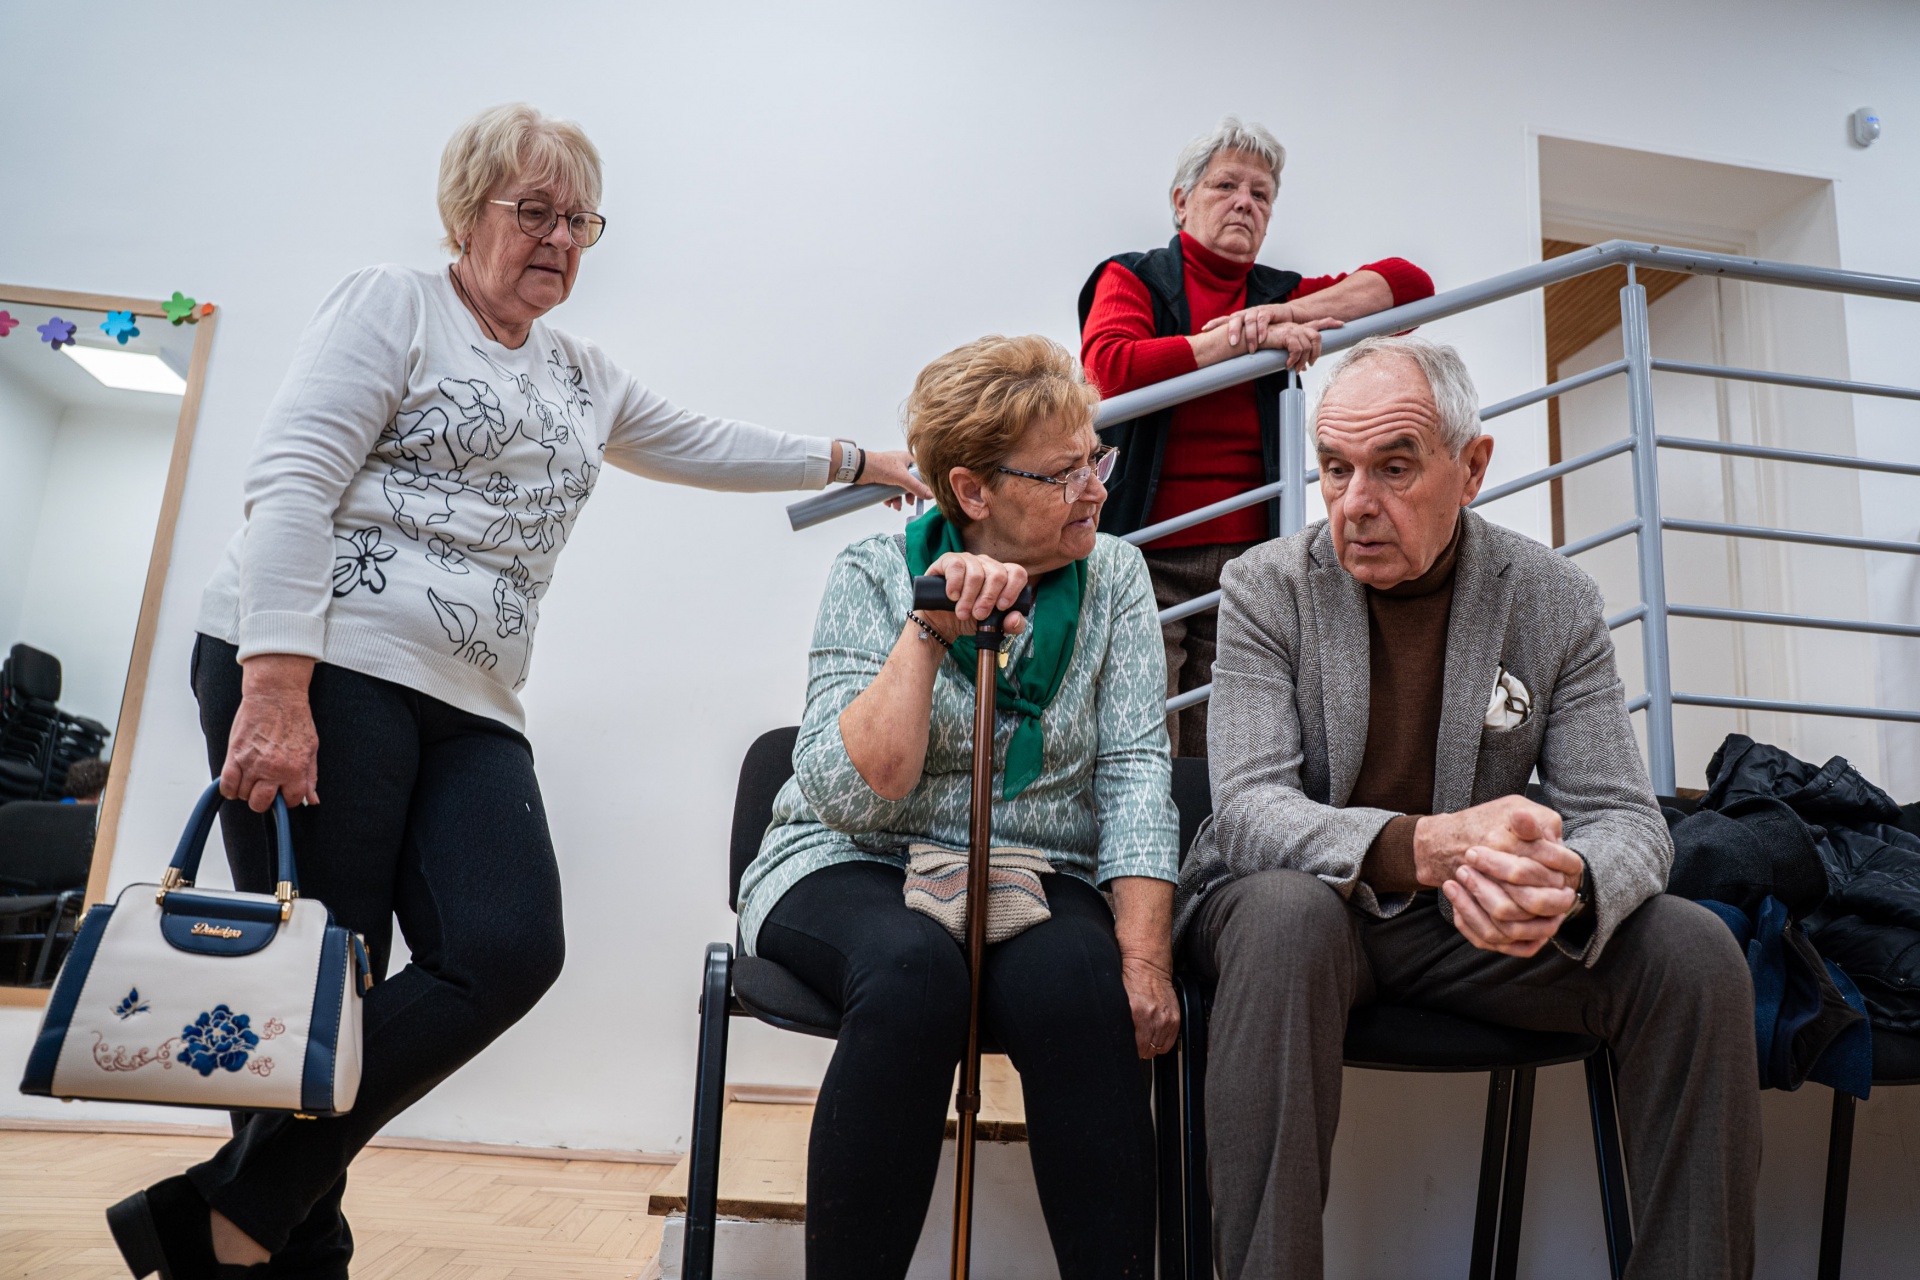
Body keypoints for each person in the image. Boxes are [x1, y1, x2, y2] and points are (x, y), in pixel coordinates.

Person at [105, 102, 931, 1280]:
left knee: (507, 946)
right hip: (326, 661)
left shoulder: (579, 374)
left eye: (579, 220)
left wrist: (855, 460)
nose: (559, 237)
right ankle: (283, 1250)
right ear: (466, 212)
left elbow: (702, 439)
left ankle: (226, 1214)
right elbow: (290, 480)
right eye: (533, 211)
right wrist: (275, 684)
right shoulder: (395, 305)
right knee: (327, 976)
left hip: (474, 697)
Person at [1176, 335, 1759, 1279]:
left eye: (1394, 467)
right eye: (1336, 468)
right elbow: (1247, 809)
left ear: (1472, 467)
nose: (1355, 504)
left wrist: (1566, 885)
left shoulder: (1554, 598)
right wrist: (1428, 847)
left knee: (1692, 953)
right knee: (1288, 920)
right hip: (1300, 912)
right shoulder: (1266, 586)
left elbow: (1627, 818)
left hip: (1469, 929)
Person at [737, 335, 1180, 1279]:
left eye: (1095, 459)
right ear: (973, 490)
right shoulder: (870, 572)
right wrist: (929, 627)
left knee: (1083, 987)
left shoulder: (1116, 577)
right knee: (911, 974)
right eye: (1063, 473)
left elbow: (1136, 772)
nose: (1095, 490)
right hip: (851, 855)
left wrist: (1144, 959)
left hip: (1035, 866)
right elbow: (859, 789)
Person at [1079, 115, 1434, 755]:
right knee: (1145, 738)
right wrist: (1239, 341)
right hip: (1144, 551)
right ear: (1181, 202)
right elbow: (1110, 369)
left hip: (1250, 557)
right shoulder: (1132, 277)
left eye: (1261, 193)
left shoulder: (1276, 293)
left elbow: (1410, 287)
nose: (1245, 202)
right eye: (1226, 186)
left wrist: (1286, 314)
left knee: (1229, 743)